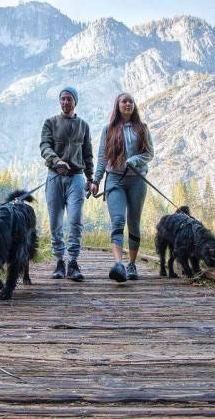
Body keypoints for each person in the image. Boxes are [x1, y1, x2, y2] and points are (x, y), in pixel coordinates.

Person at [90, 92, 154, 282]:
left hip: (137, 180)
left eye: (131, 101)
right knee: (117, 220)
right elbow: (102, 158)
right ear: (117, 105)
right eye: (124, 101)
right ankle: (119, 265)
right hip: (115, 180)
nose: (128, 104)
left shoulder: (142, 128)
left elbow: (149, 153)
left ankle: (132, 264)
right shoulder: (108, 129)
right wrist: (96, 181)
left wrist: (135, 159)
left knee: (134, 221)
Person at [40, 86, 94, 281]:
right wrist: (56, 161)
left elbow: (88, 154)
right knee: (55, 222)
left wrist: (91, 179)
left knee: (75, 220)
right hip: (54, 177)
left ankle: (73, 261)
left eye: (69, 99)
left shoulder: (84, 126)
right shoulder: (50, 123)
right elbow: (44, 146)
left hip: (77, 178)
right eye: (62, 99)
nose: (65, 102)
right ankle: (59, 261)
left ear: (75, 102)